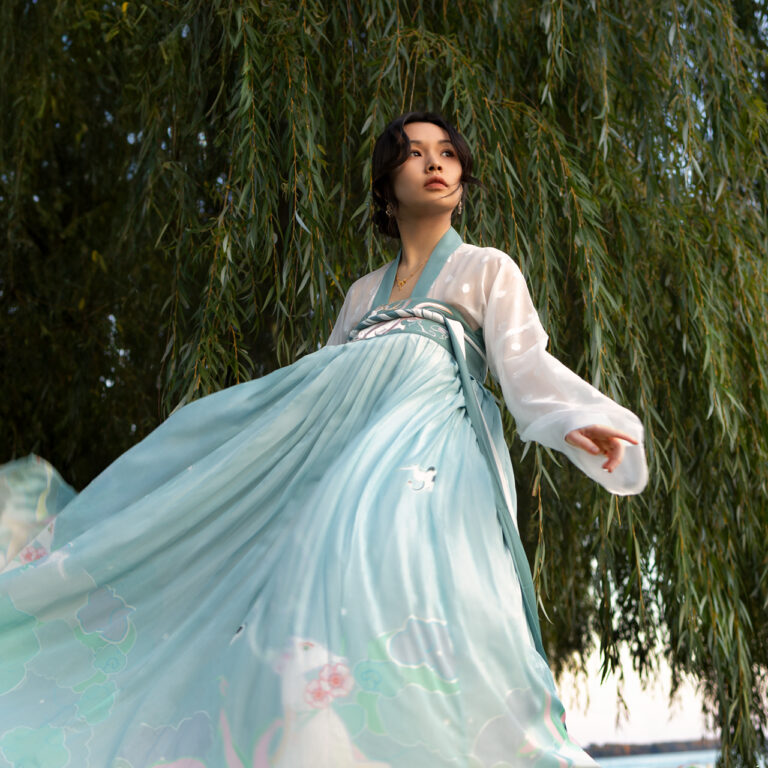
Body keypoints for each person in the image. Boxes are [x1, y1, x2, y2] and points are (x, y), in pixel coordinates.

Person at [0, 111, 646, 768]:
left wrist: (575, 420)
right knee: (314, 579)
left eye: (448, 153)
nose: (435, 163)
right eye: (415, 153)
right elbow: (319, 384)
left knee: (418, 577)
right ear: (386, 186)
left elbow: (524, 364)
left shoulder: (486, 269)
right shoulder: (362, 293)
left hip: (429, 447)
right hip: (346, 450)